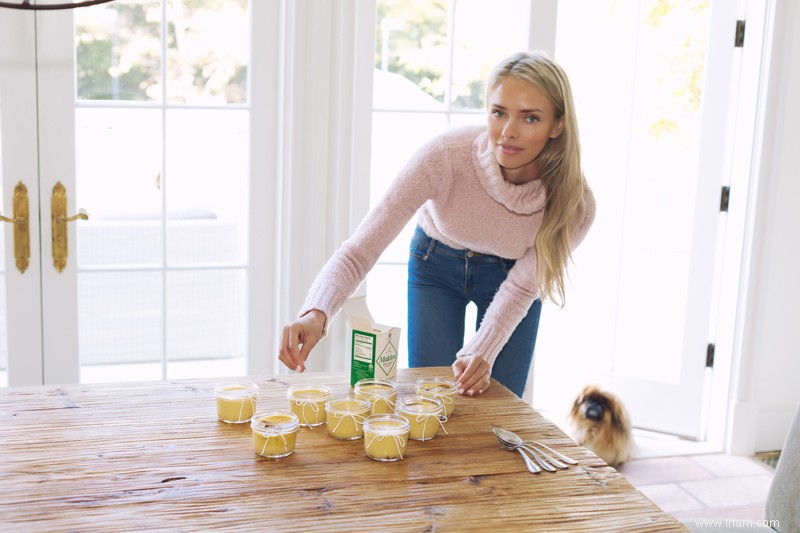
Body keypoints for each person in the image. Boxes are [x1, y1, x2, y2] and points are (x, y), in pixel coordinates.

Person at [278, 50, 595, 398]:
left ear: (558, 125)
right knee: (428, 398)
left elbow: (522, 288)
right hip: (436, 264)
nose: (508, 132)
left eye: (530, 118)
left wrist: (483, 350)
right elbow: (360, 249)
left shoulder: (574, 204)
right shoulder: (445, 156)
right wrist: (316, 313)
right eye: (498, 112)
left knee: (498, 406)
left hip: (511, 280)